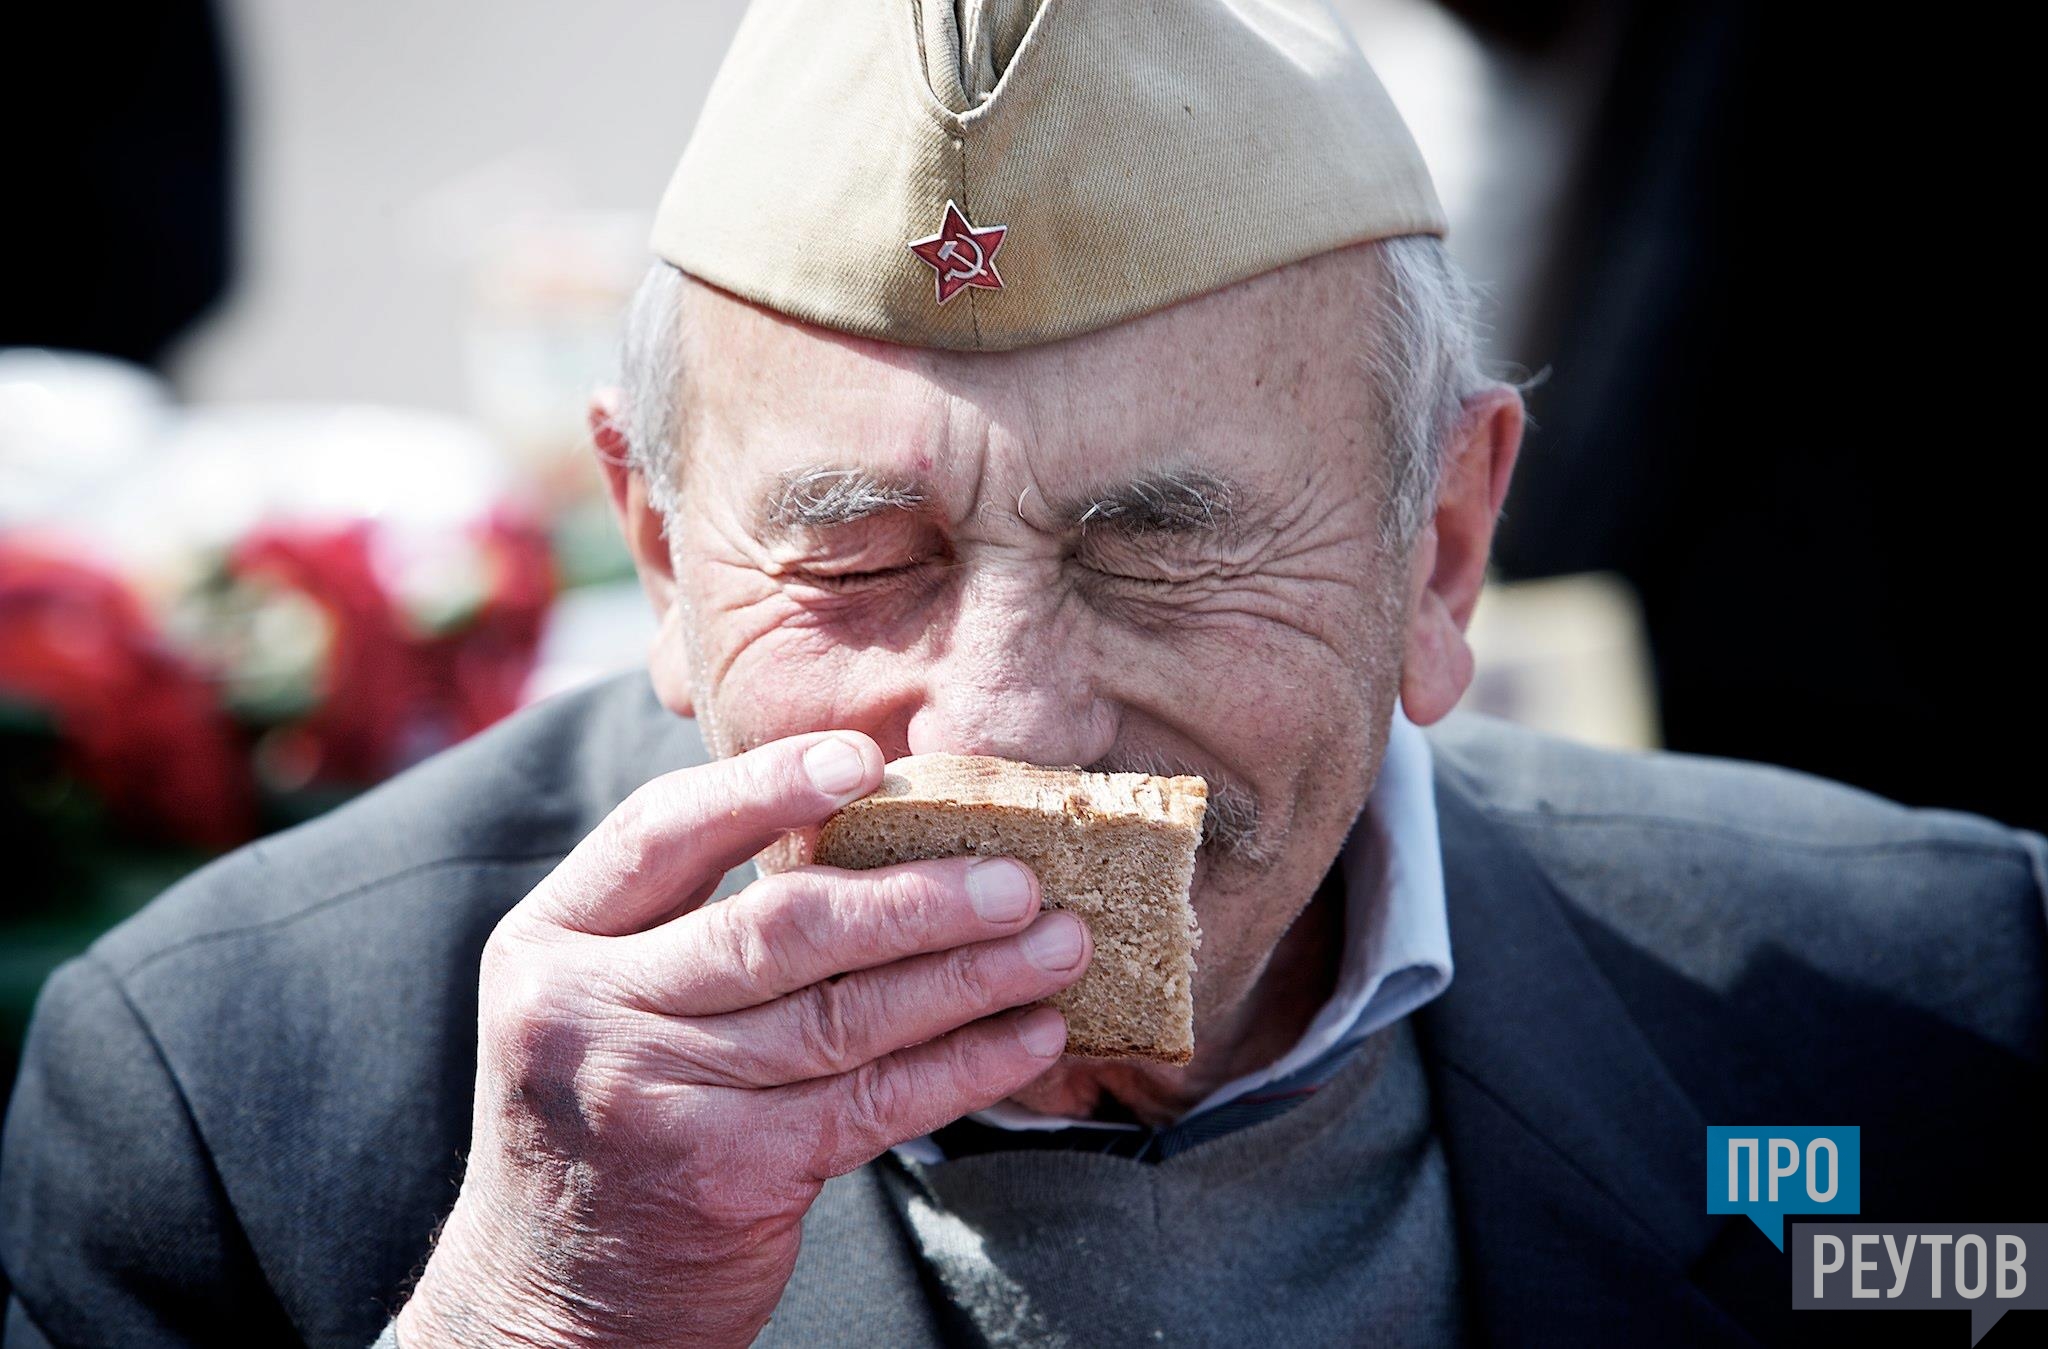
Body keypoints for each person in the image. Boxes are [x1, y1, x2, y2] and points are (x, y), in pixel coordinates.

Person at [3, 3, 2043, 1346]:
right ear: (657, 543)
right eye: (857, 558)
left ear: (1438, 550)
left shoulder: (1927, 1018)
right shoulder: (238, 1095)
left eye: (1161, 552)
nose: (997, 726)